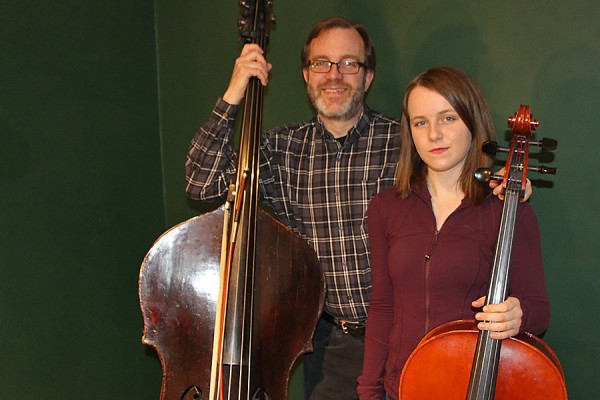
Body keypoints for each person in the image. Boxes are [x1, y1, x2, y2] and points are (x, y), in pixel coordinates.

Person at [185, 17, 400, 399]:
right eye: (322, 63)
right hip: (332, 345)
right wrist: (234, 93)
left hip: (405, 335)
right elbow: (201, 182)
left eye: (349, 63)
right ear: (306, 74)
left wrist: (507, 184)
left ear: (367, 77)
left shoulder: (403, 142)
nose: (334, 75)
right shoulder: (279, 149)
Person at [356, 66, 550, 400]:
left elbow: (539, 309)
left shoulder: (506, 208)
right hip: (401, 389)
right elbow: (383, 308)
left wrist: (518, 315)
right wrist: (369, 390)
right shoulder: (385, 207)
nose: (433, 134)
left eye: (448, 118)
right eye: (421, 122)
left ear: (472, 122)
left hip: (475, 386)